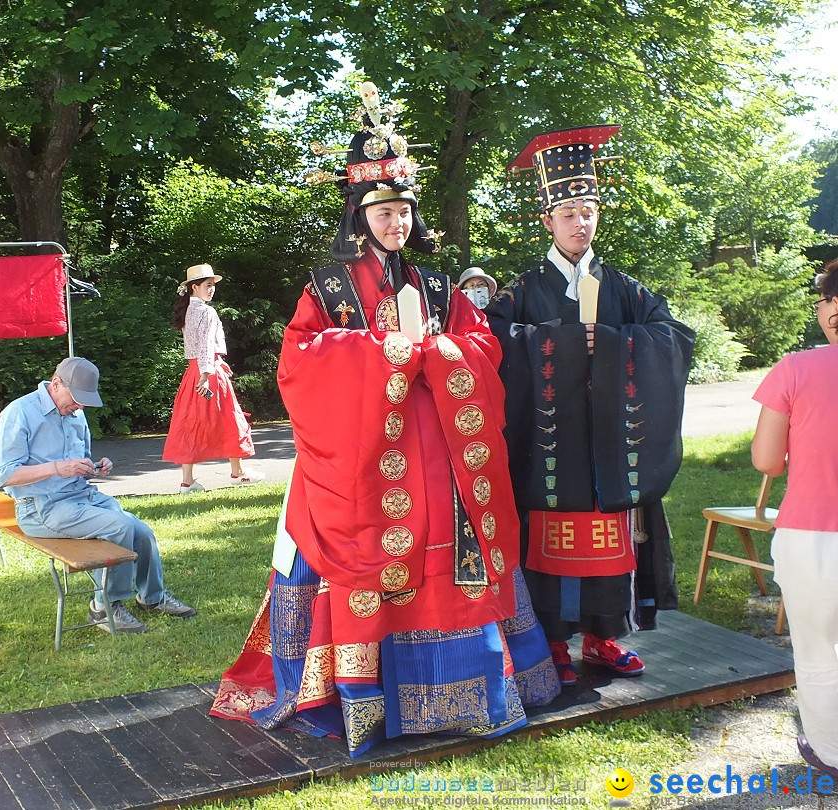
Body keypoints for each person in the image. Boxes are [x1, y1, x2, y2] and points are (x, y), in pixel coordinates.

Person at [210, 83, 559, 757]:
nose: (396, 222)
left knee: (453, 566)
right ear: (359, 216)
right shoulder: (328, 287)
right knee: (371, 563)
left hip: (443, 461)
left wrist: (443, 351)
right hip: (362, 463)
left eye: (404, 210)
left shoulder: (437, 286)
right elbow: (299, 361)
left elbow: (483, 346)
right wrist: (392, 354)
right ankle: (360, 703)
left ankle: (469, 694)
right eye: (384, 211)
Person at [485, 126, 695, 686]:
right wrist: (571, 343)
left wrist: (621, 346)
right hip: (549, 443)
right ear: (547, 220)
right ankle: (550, 638)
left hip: (611, 442)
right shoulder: (520, 291)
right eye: (569, 212)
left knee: (613, 534)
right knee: (546, 534)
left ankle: (604, 637)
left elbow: (674, 337)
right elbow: (495, 345)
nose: (581, 222)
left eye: (589, 210)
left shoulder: (628, 289)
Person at [0, 356, 196, 634]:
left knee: (141, 531)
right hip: (39, 507)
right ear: (56, 383)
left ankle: (152, 597)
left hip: (80, 496)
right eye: (76, 399)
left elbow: (78, 462)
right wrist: (58, 468)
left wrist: (93, 467)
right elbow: (4, 475)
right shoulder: (19, 413)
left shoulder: (76, 413)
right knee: (119, 526)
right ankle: (105, 607)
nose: (80, 406)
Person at [752, 259, 838, 778]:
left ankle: (830, 754)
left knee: (816, 649)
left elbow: (766, 460)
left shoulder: (795, 368)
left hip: (810, 535)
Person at [162, 263, 259, 494]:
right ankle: (238, 473)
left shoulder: (189, 311)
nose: (212, 289)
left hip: (194, 372)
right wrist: (206, 375)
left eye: (213, 285)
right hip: (209, 372)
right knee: (229, 417)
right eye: (208, 285)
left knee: (192, 421)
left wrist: (201, 373)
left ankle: (187, 481)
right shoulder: (206, 312)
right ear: (194, 287)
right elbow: (206, 346)